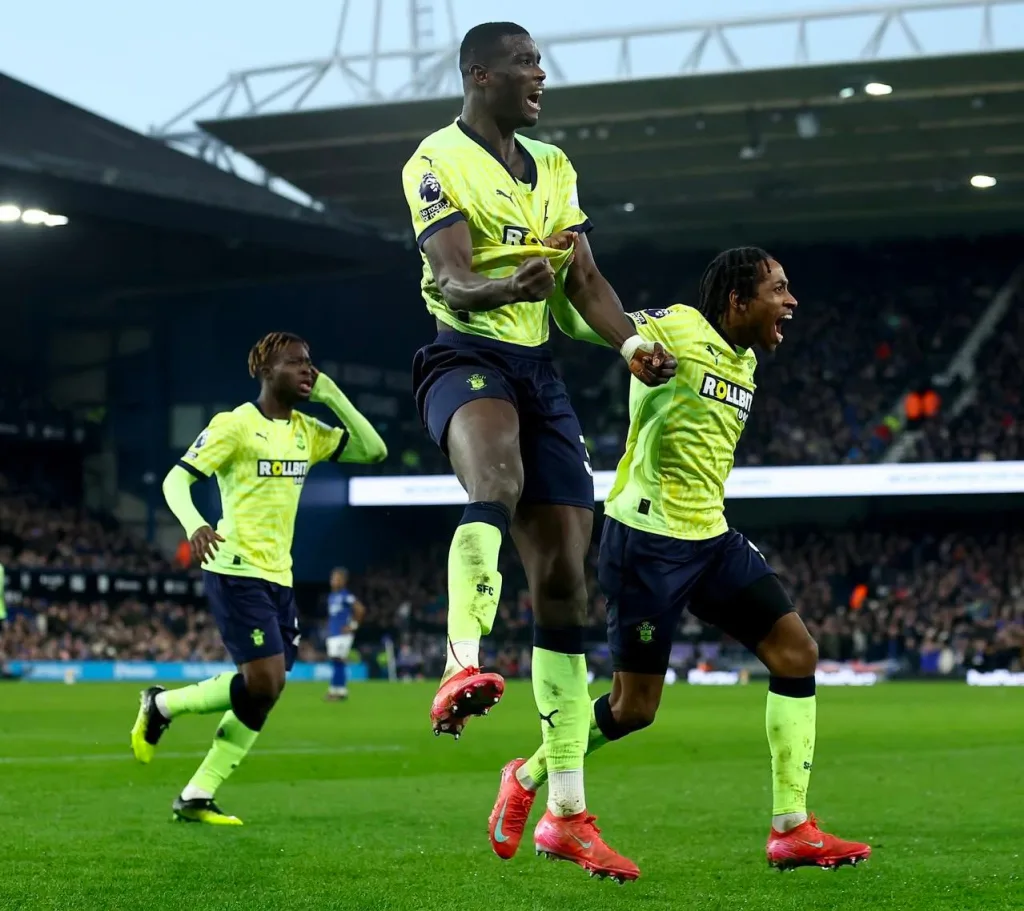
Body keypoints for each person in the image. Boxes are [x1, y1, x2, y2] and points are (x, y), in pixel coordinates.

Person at [488, 248, 872, 873]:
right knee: (634, 709)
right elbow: (583, 320)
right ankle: (528, 775)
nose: (791, 301)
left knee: (797, 652)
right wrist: (604, 319)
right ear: (737, 301)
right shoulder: (678, 326)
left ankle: (791, 827)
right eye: (778, 289)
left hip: (711, 538)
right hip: (647, 540)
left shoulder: (745, 361)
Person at [401, 21, 675, 882]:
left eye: (541, 63)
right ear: (479, 74)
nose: (540, 74)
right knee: (498, 476)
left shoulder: (552, 166)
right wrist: (503, 285)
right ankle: (460, 663)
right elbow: (450, 278)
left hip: (537, 366)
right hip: (464, 351)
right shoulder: (433, 160)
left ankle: (564, 810)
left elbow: (584, 280)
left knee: (566, 575)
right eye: (524, 63)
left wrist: (633, 346)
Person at [130, 332, 386, 825]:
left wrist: (333, 395)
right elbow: (175, 479)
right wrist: (195, 525)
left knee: (264, 691)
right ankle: (163, 709)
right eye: (296, 364)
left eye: (311, 364)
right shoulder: (235, 426)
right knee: (265, 680)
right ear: (267, 371)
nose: (307, 371)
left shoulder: (308, 432)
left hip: (280, 576)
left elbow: (374, 451)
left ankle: (194, 787)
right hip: (235, 568)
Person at [324, 566, 365, 701]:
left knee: (339, 660)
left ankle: (339, 691)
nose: (333, 581)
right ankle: (336, 690)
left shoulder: (346, 596)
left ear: (343, 581)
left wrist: (353, 626)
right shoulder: (332, 597)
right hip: (334, 634)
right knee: (336, 661)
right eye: (332, 578)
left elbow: (360, 609)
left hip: (343, 634)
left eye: (336, 578)